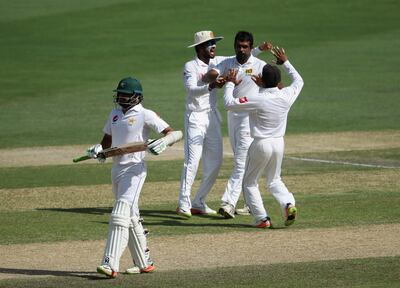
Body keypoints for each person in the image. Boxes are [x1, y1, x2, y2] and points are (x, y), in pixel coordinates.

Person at [87, 76, 182, 278]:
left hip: (135, 168)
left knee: (120, 212)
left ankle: (109, 263)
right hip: (117, 169)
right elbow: (107, 142)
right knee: (130, 216)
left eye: (125, 95)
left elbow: (174, 133)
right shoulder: (114, 114)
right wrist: (98, 150)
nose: (120, 97)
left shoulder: (145, 114)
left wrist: (164, 142)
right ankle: (144, 262)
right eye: (119, 94)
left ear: (136, 97)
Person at [177, 30, 270, 218]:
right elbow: (191, 90)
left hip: (212, 116)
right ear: (200, 47)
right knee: (193, 161)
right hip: (195, 116)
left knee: (216, 162)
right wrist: (212, 85)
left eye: (214, 43)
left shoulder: (217, 61)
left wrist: (259, 49)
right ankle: (183, 202)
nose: (213, 46)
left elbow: (242, 57)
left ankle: (198, 202)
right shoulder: (190, 66)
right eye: (209, 43)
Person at [222, 46, 304, 228]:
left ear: (261, 80)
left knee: (249, 183)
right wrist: (286, 63)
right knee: (274, 179)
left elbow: (229, 104)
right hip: (279, 143)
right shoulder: (286, 94)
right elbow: (299, 81)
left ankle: (262, 219)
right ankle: (288, 204)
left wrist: (230, 83)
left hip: (261, 144)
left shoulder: (257, 98)